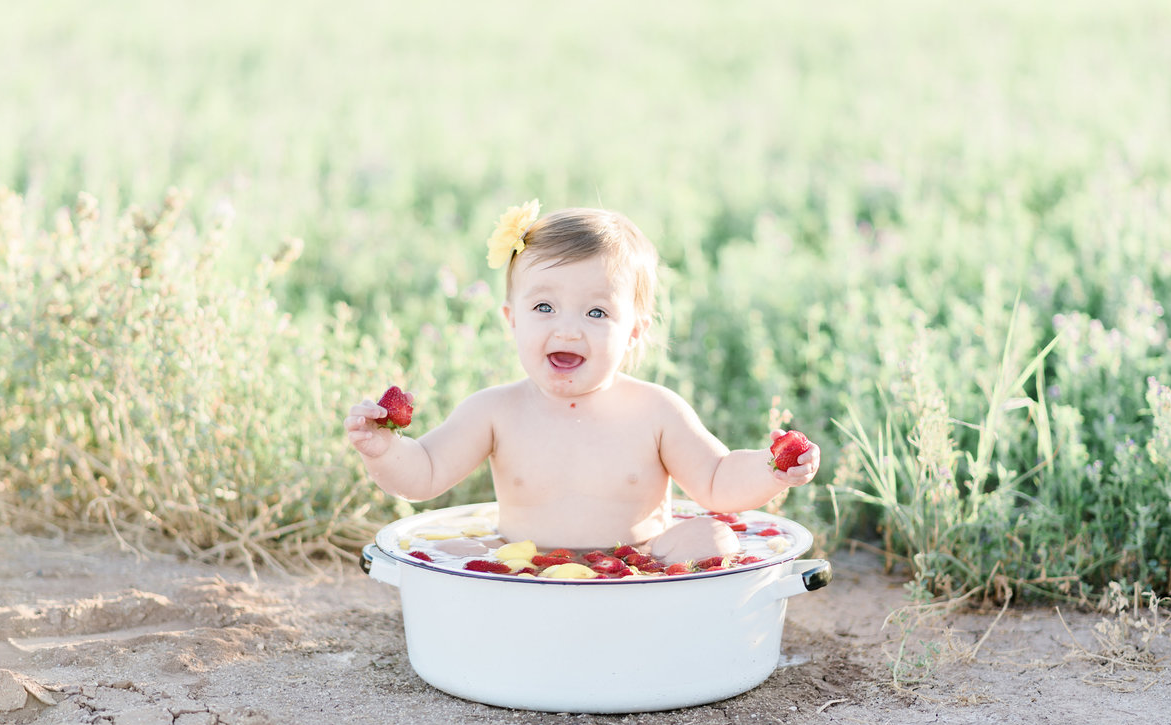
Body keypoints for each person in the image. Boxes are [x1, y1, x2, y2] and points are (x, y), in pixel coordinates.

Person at [344, 200, 819, 564]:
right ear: (512, 319)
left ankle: (667, 617)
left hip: (639, 566)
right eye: (544, 307)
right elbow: (424, 473)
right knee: (457, 550)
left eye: (596, 312)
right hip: (524, 567)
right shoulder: (493, 411)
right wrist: (385, 451)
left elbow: (716, 482)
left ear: (634, 331)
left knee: (713, 535)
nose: (567, 329)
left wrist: (771, 468)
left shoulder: (656, 411)